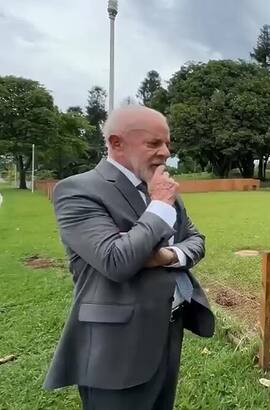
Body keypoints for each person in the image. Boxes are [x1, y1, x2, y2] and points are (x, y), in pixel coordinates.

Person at [43, 105, 214, 410]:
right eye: (153, 143)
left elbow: (196, 240)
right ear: (116, 143)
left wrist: (165, 256)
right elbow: (116, 261)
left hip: (168, 329)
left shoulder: (159, 188)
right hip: (116, 346)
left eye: (167, 143)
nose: (165, 153)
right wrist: (160, 205)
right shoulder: (78, 190)